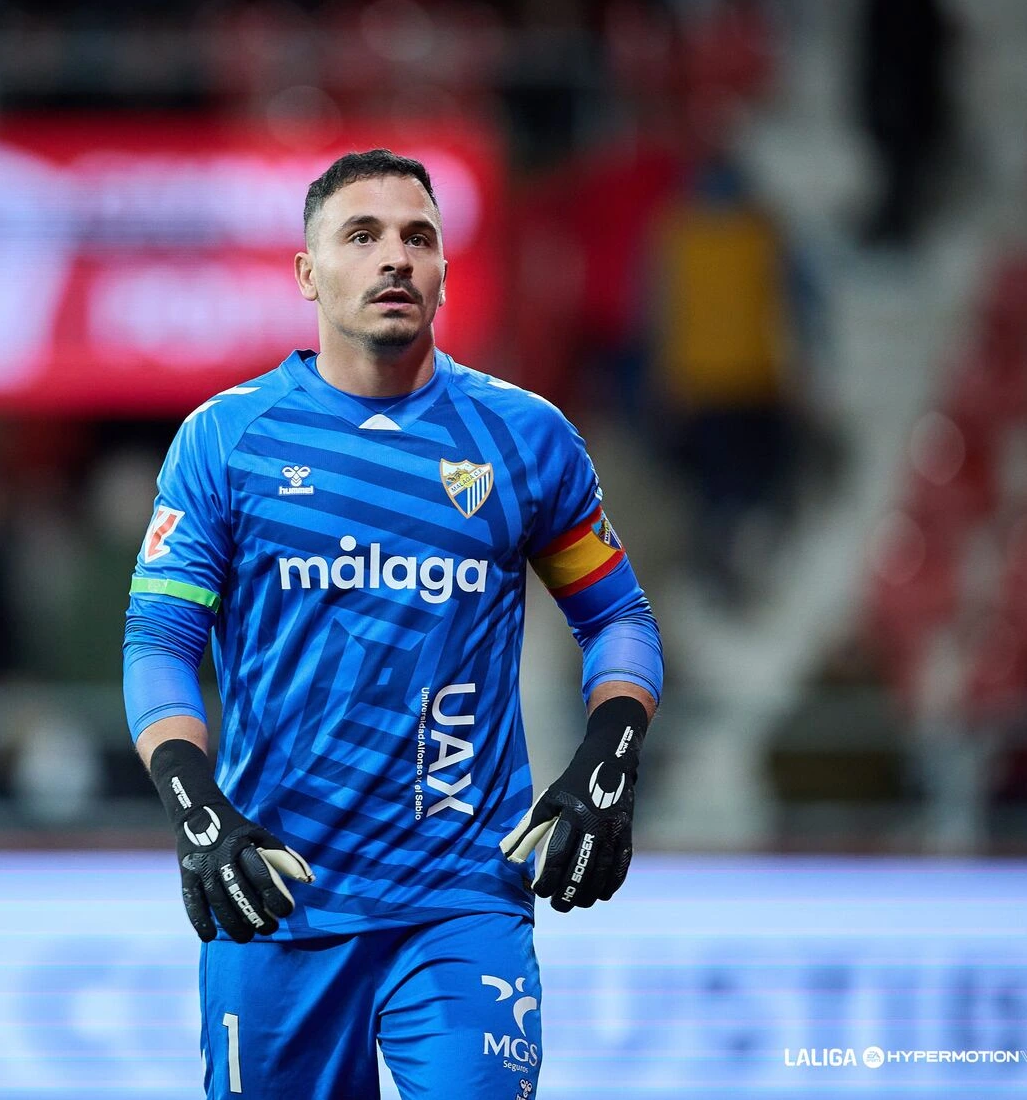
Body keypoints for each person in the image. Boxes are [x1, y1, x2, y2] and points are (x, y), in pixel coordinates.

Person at [122, 149, 663, 1098]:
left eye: (419, 237)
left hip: (459, 903)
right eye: (361, 235)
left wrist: (606, 762)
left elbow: (617, 615)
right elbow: (158, 642)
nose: (395, 259)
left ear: (447, 271)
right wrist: (196, 809)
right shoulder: (226, 440)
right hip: (278, 897)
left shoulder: (524, 439)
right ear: (306, 272)